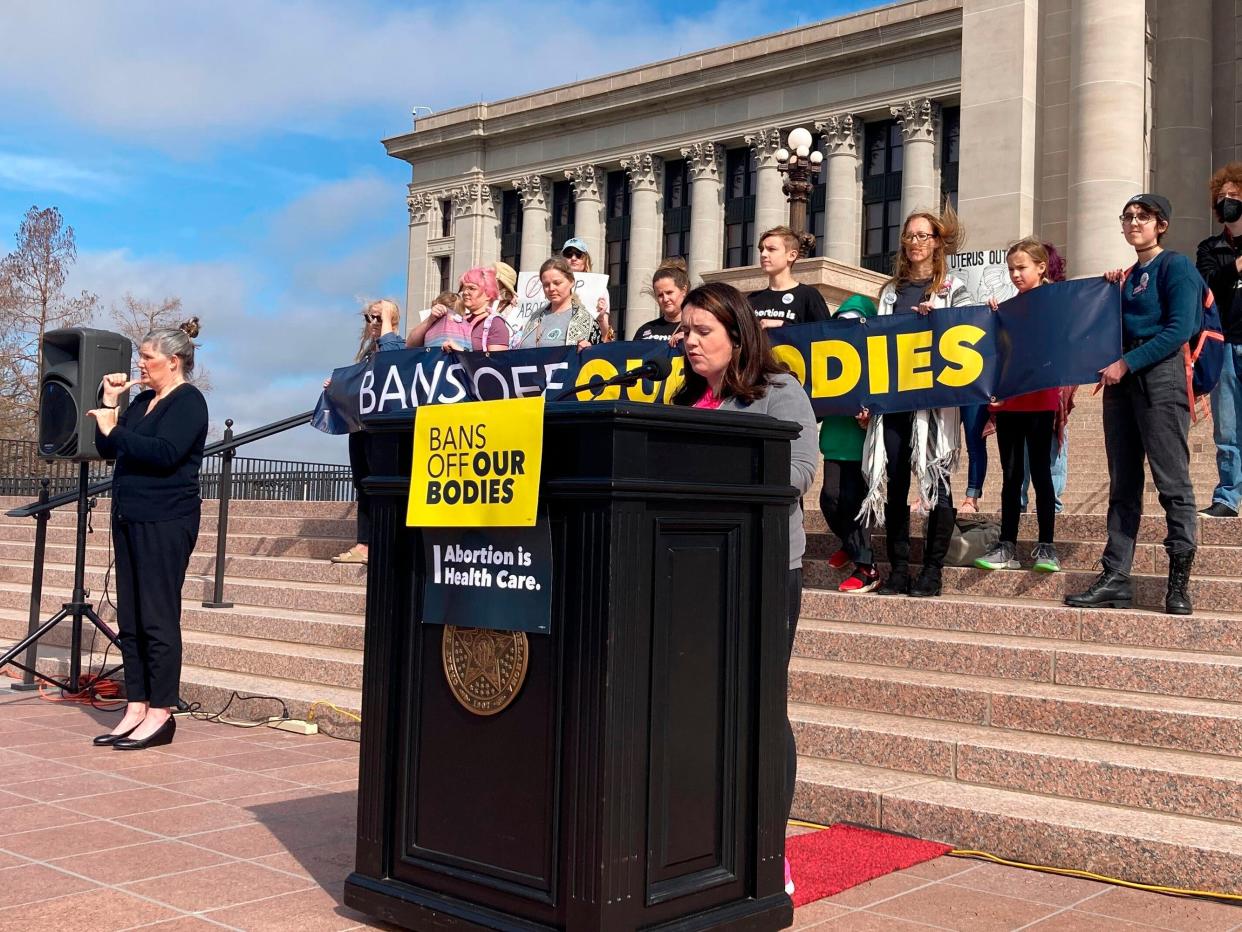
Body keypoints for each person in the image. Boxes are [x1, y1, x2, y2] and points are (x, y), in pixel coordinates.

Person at [670, 281, 817, 899]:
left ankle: (766, 848)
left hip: (760, 570)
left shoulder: (779, 393)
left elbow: (796, 474)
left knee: (759, 708)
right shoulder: (681, 399)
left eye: (703, 330)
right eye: (684, 331)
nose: (690, 342)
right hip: (688, 574)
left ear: (738, 333)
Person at [1066, 194, 1198, 615]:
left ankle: (1178, 583)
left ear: (1161, 224)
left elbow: (1180, 328)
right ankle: (1115, 576)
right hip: (1120, 380)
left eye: (1143, 217)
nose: (1134, 223)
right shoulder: (1124, 277)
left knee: (1172, 482)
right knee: (1122, 483)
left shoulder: (1176, 266)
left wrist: (1129, 362)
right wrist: (1109, 293)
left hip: (1158, 374)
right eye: (1128, 217)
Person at [87, 319, 209, 750]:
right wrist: (110, 405)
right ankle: (135, 704)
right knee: (132, 618)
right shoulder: (141, 403)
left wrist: (114, 429)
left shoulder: (189, 402)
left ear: (173, 362)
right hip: (130, 517)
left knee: (158, 616)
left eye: (148, 358)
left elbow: (165, 454)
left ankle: (162, 711)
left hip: (166, 519)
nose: (140, 364)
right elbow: (107, 449)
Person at [860, 204, 972, 598]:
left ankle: (932, 570)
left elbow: (967, 337)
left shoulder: (953, 287)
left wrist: (938, 319)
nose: (916, 243)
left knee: (937, 477)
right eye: (910, 236)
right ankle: (898, 570)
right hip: (894, 400)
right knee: (896, 481)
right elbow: (875, 345)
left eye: (924, 235)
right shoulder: (890, 291)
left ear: (938, 241)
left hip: (936, 402)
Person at [976, 238, 1065, 573]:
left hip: (1040, 401)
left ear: (1041, 267)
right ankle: (1007, 546)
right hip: (1009, 403)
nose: (1015, 274)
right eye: (1011, 269)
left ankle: (1047, 547)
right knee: (1012, 476)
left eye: (1021, 268)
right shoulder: (1009, 307)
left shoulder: (1057, 301)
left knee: (1041, 474)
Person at [329, 299, 404, 565]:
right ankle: (364, 542)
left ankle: (375, 543)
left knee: (377, 483)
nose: (371, 323)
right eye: (368, 318)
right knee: (362, 483)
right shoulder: (368, 350)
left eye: (377, 317)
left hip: (380, 427)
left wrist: (386, 321)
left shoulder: (395, 344)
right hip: (360, 424)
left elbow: (391, 359)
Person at [820, 295, 880, 593]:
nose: (849, 327)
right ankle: (851, 544)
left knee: (856, 504)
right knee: (829, 499)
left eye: (855, 320)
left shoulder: (876, 357)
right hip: (834, 440)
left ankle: (866, 566)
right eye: (842, 320)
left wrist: (872, 416)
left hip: (862, 443)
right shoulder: (827, 356)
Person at [1196, 162, 1242, 518]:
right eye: (1222, 198)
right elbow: (1207, 285)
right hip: (1224, 343)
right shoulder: (1210, 247)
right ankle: (1227, 495)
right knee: (1226, 426)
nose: (1228, 202)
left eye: (1235, 196)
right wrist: (1237, 266)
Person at [747, 226, 831, 328]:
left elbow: (826, 335)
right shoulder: (752, 300)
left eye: (771, 249)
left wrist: (783, 325)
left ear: (792, 255)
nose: (763, 254)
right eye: (761, 250)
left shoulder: (808, 296)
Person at [514, 257, 603, 349]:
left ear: (571, 282)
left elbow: (598, 358)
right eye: (546, 285)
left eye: (557, 283)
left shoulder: (586, 321)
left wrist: (588, 352)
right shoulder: (534, 317)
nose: (551, 289)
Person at [440, 268, 512, 354]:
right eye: (464, 288)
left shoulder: (495, 324)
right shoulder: (461, 319)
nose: (465, 292)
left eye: (472, 288)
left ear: (488, 294)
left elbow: (496, 364)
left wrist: (460, 352)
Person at [561, 238, 612, 341]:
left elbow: (605, 335)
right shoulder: (552, 286)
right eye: (568, 254)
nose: (573, 258)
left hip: (586, 347)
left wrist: (601, 317)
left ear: (585, 260)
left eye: (578, 255)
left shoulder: (598, 287)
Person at [635, 258, 689, 340]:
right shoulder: (644, 330)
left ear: (684, 290)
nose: (665, 299)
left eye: (669, 292)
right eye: (660, 295)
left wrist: (688, 337)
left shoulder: (695, 329)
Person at [958, 404, 988, 514]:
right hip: (948, 392)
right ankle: (927, 494)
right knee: (938, 444)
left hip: (973, 392)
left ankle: (971, 499)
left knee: (975, 444)